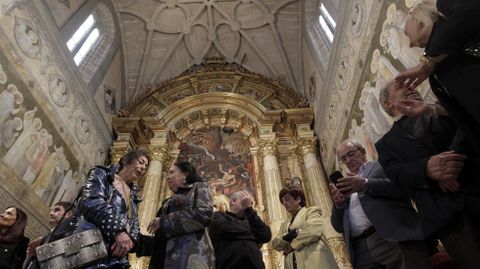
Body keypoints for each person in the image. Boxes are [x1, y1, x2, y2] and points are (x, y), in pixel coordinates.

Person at [376, 80, 480, 269]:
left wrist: (448, 165)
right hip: (448, 219)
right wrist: (426, 169)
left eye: (411, 85)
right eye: (401, 86)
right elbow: (398, 178)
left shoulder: (442, 111)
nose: (410, 87)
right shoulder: (385, 145)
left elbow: (469, 126)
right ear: (388, 103)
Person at [395, 0, 480, 154]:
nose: (410, 45)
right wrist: (430, 109)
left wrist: (428, 61)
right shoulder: (433, 68)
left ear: (417, 18)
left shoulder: (448, 7)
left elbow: (458, 24)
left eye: (407, 34)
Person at [330, 140, 430, 269]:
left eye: (351, 154)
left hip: (391, 237)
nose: (348, 160)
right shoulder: (346, 186)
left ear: (363, 152)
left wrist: (366, 184)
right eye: (343, 158)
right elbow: (338, 227)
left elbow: (404, 189)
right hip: (361, 249)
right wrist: (338, 205)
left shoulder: (381, 166)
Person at [72, 149, 148, 269]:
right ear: (126, 161)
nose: (143, 168)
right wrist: (117, 231)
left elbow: (134, 224)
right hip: (88, 247)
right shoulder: (102, 174)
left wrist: (129, 242)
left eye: (146, 166)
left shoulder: (133, 196)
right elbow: (92, 202)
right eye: (141, 162)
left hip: (114, 257)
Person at [139, 161, 215, 269]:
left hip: (187, 259)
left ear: (185, 174)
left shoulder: (200, 187)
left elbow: (203, 214)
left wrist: (163, 221)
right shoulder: (167, 202)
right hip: (161, 260)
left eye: (172, 172)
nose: (168, 177)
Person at [272, 186, 338, 269]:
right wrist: (287, 236)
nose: (284, 203)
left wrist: (291, 246)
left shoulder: (311, 212)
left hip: (314, 261)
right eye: (283, 201)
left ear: (298, 199)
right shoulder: (284, 224)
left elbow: (312, 231)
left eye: (287, 199)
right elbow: (275, 244)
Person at [209, 190, 271, 269]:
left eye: (250, 203)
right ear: (233, 201)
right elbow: (218, 226)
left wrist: (249, 210)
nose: (249, 205)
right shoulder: (220, 217)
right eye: (245, 201)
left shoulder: (252, 220)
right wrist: (254, 235)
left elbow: (266, 235)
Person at [24, 201, 74, 268]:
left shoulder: (69, 237)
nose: (51, 213)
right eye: (52, 210)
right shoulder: (48, 236)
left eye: (57, 210)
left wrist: (43, 240)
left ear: (68, 214)